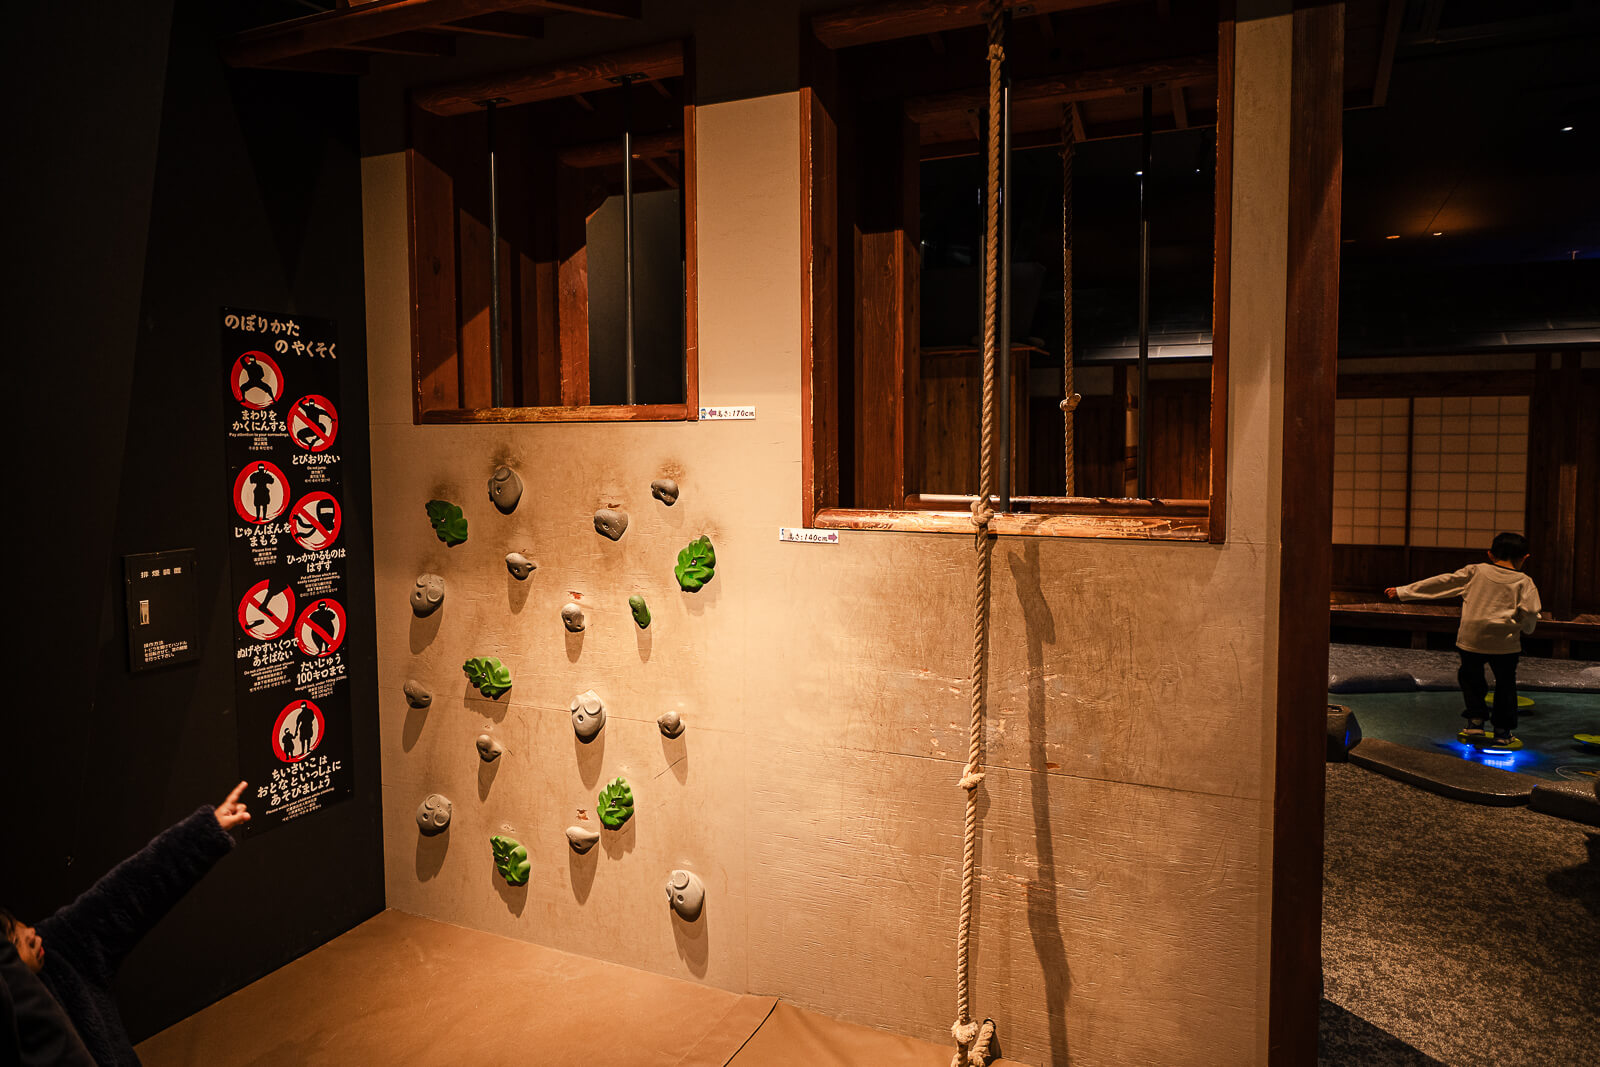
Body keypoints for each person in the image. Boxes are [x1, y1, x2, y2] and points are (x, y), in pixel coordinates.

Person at [1, 783, 250, 1066]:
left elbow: (128, 892)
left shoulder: (62, 952)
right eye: (15, 940)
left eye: (20, 924)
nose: (31, 934)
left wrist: (204, 832)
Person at [1385, 532, 1542, 746]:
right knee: (1506, 685)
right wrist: (1528, 628)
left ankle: (1475, 722)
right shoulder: (1524, 581)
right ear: (1525, 558)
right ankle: (1503, 732)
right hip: (1504, 642)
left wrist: (1403, 591)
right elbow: (1531, 611)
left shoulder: (1475, 571)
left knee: (1471, 679)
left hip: (1472, 638)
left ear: (1490, 554)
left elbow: (1442, 583)